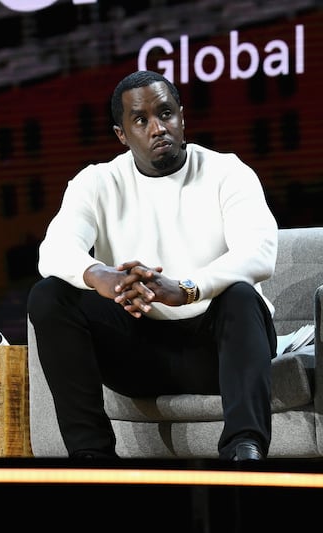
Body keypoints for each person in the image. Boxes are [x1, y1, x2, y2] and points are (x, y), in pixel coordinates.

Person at [27, 70, 278, 461]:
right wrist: (101, 276)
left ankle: (244, 452)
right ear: (122, 135)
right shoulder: (96, 182)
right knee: (50, 296)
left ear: (182, 118)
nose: (158, 127)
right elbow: (54, 250)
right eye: (141, 120)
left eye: (166, 113)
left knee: (242, 297)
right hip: (138, 352)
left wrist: (187, 289)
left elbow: (260, 251)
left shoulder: (227, 171)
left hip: (216, 352)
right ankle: (92, 458)